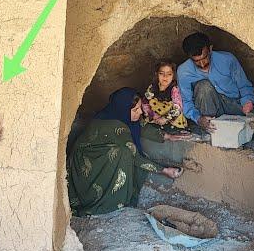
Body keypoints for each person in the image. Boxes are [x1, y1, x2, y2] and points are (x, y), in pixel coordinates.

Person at [67, 87, 183, 217]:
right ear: (123, 109)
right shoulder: (116, 126)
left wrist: (165, 136)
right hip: (85, 170)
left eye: (139, 107)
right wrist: (164, 170)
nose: (140, 112)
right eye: (135, 110)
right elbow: (136, 157)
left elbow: (141, 127)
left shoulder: (116, 115)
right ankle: (110, 203)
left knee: (124, 153)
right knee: (124, 154)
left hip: (97, 160)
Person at [176, 32, 254, 137]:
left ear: (210, 49)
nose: (202, 64)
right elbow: (186, 101)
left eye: (204, 58)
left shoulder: (227, 59)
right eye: (197, 61)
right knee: (204, 87)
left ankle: (248, 135)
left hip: (235, 103)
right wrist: (198, 118)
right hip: (210, 109)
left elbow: (244, 85)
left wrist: (248, 104)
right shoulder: (183, 71)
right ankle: (212, 130)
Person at [141, 59, 189, 133]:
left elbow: (178, 108)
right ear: (157, 74)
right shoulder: (153, 87)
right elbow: (145, 102)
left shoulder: (174, 90)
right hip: (156, 118)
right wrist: (152, 115)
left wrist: (165, 118)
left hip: (171, 119)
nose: (165, 77)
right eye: (161, 73)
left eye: (169, 74)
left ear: (173, 76)